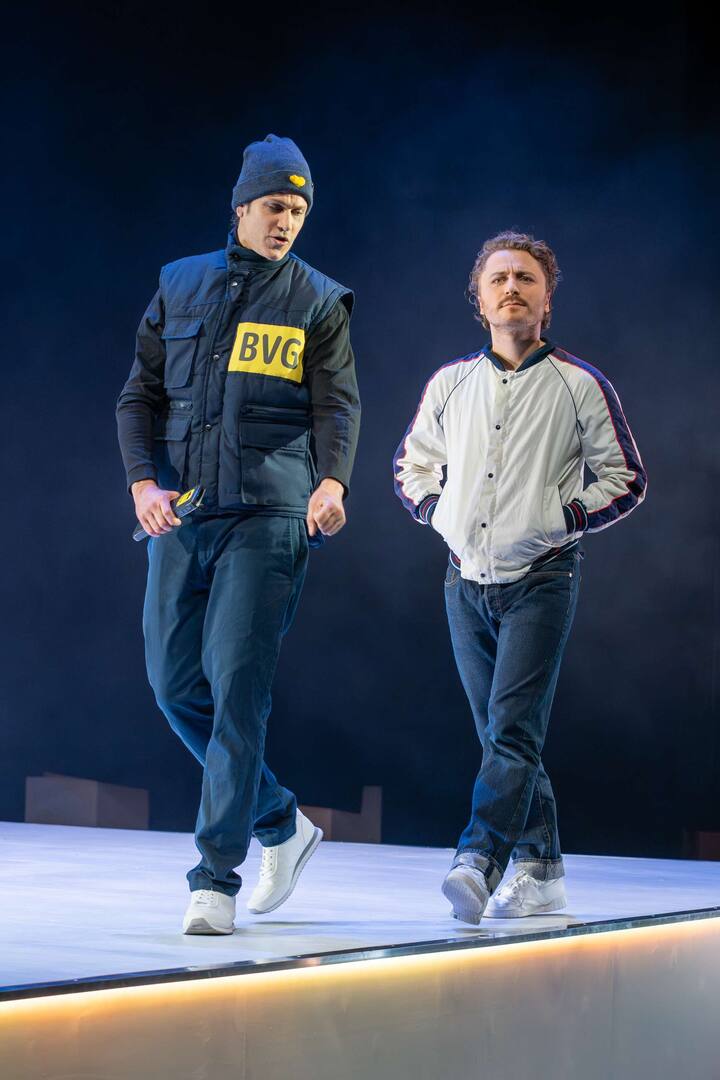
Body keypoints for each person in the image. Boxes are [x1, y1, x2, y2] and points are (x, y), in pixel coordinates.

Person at [117, 135, 360, 934]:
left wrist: (332, 481)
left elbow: (337, 405)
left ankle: (214, 877)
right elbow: (138, 398)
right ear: (242, 206)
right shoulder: (179, 283)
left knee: (236, 690)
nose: (287, 221)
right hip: (185, 513)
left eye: (299, 210)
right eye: (275, 207)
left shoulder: (318, 299)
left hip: (270, 515)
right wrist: (143, 483)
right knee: (170, 684)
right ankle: (280, 820)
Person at [393, 231, 646, 925]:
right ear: (478, 299)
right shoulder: (450, 383)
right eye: (498, 278)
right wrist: (439, 513)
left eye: (526, 278)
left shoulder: (580, 384)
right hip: (463, 579)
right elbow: (411, 465)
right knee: (500, 733)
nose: (512, 287)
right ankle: (542, 869)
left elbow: (626, 477)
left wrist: (561, 517)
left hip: (542, 576)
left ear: (547, 297)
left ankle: (478, 859)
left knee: (511, 730)